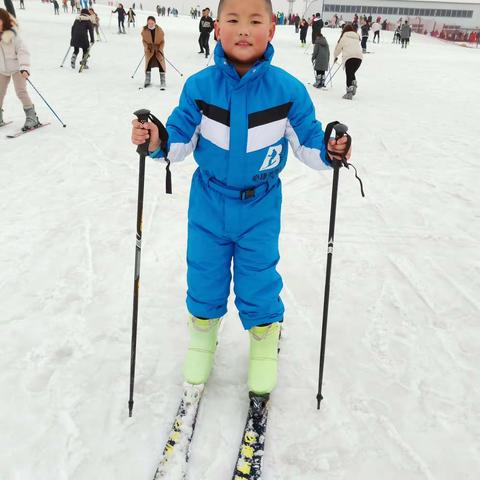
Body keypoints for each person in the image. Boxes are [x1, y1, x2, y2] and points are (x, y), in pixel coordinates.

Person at [130, 0, 352, 396]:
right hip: (209, 201)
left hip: (260, 205)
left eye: (255, 21)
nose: (244, 29)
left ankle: (265, 341)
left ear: (271, 30)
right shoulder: (199, 87)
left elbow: (309, 143)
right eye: (233, 20)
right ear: (217, 29)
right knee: (204, 270)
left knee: (258, 274)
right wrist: (157, 139)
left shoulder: (287, 91)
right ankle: (202, 335)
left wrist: (331, 149)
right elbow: (179, 139)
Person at [0, 8, 41, 130]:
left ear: (4, 20)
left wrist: (24, 68)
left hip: (18, 68)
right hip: (2, 69)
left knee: (21, 91)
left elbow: (23, 52)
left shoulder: (13, 35)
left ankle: (32, 117)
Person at [333, 23, 363, 100]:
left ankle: (350, 91)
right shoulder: (356, 37)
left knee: (349, 73)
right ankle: (353, 83)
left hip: (349, 57)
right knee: (351, 72)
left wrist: (335, 55)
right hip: (359, 58)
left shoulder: (344, 36)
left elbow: (338, 48)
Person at [141, 16, 166, 89]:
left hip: (158, 50)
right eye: (149, 23)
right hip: (149, 50)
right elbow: (144, 41)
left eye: (152, 23)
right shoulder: (144, 31)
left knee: (160, 64)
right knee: (148, 64)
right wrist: (146, 48)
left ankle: (163, 81)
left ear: (155, 22)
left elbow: (162, 42)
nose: (150, 24)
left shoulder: (159, 31)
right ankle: (147, 80)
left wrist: (160, 49)